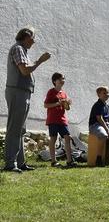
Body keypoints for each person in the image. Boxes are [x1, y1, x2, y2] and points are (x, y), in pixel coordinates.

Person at [4, 27, 51, 173]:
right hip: (17, 92)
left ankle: (20, 162)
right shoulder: (18, 48)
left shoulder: (22, 50)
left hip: (22, 92)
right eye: (33, 38)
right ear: (26, 37)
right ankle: (10, 164)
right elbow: (24, 70)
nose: (34, 41)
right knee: (14, 128)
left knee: (21, 129)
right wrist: (40, 61)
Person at [44, 72, 77, 168]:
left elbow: (66, 108)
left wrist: (67, 103)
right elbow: (46, 105)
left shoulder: (64, 93)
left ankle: (69, 160)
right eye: (60, 79)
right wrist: (58, 104)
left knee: (67, 137)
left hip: (62, 120)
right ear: (54, 81)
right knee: (53, 139)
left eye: (63, 79)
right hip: (53, 119)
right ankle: (54, 161)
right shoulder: (51, 92)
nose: (62, 80)